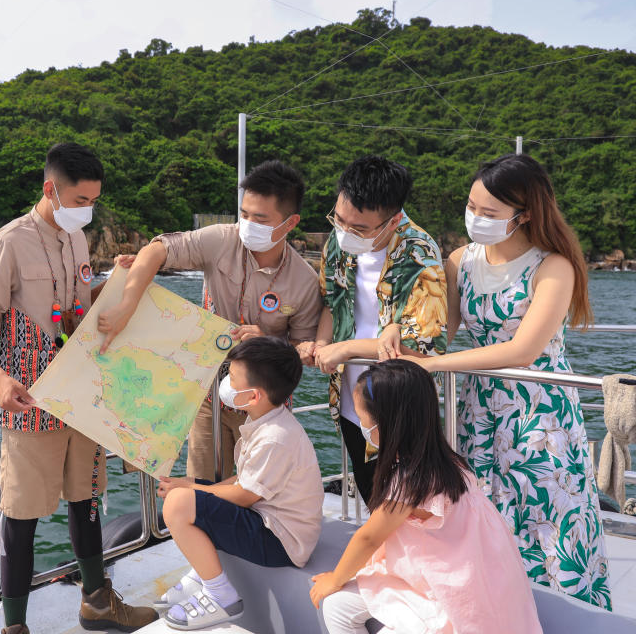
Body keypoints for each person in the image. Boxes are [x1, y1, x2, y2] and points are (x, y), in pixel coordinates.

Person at [382, 153, 611, 609]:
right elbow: (435, 334)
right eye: (472, 207)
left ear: (523, 214)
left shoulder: (553, 266)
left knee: (548, 515)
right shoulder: (460, 261)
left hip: (538, 412)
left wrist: (437, 367)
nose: (476, 218)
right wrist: (397, 327)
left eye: (489, 213)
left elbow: (523, 351)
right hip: (478, 408)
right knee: (485, 512)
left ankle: (565, 614)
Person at [0, 143, 157, 634]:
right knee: (21, 514)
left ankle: (96, 602)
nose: (85, 211)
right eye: (79, 200)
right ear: (51, 190)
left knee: (86, 498)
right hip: (28, 399)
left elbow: (79, 306)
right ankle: (14, 627)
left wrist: (120, 277)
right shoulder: (10, 242)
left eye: (92, 201)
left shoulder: (77, 240)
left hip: (80, 391)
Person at [98, 160, 322, 480]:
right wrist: (127, 305)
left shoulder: (303, 281)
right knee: (201, 486)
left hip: (264, 404)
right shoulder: (220, 240)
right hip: (208, 394)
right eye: (244, 214)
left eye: (260, 218)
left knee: (254, 490)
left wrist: (269, 345)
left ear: (290, 223)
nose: (248, 224)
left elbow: (303, 353)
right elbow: (157, 250)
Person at [310, 360, 543, 634]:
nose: (362, 427)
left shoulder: (409, 482)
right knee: (338, 607)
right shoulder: (450, 464)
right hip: (456, 583)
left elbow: (369, 537)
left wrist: (335, 579)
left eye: (364, 421)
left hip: (454, 605)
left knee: (344, 605)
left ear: (387, 424)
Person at [156, 336, 324, 630]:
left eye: (232, 379)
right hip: (267, 517)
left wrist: (190, 490)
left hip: (282, 541)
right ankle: (203, 572)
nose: (227, 385)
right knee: (193, 490)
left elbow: (245, 495)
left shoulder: (275, 437)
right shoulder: (267, 421)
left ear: (253, 396)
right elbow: (246, 481)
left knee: (179, 504)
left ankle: (221, 596)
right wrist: (193, 483)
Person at [309, 155, 447, 504]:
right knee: (373, 496)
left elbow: (421, 345)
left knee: (407, 505)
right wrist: (322, 344)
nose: (345, 232)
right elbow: (332, 302)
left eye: (359, 229)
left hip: (397, 403)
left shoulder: (419, 252)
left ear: (393, 219)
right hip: (349, 400)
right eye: (339, 220)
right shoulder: (337, 242)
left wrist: (346, 349)